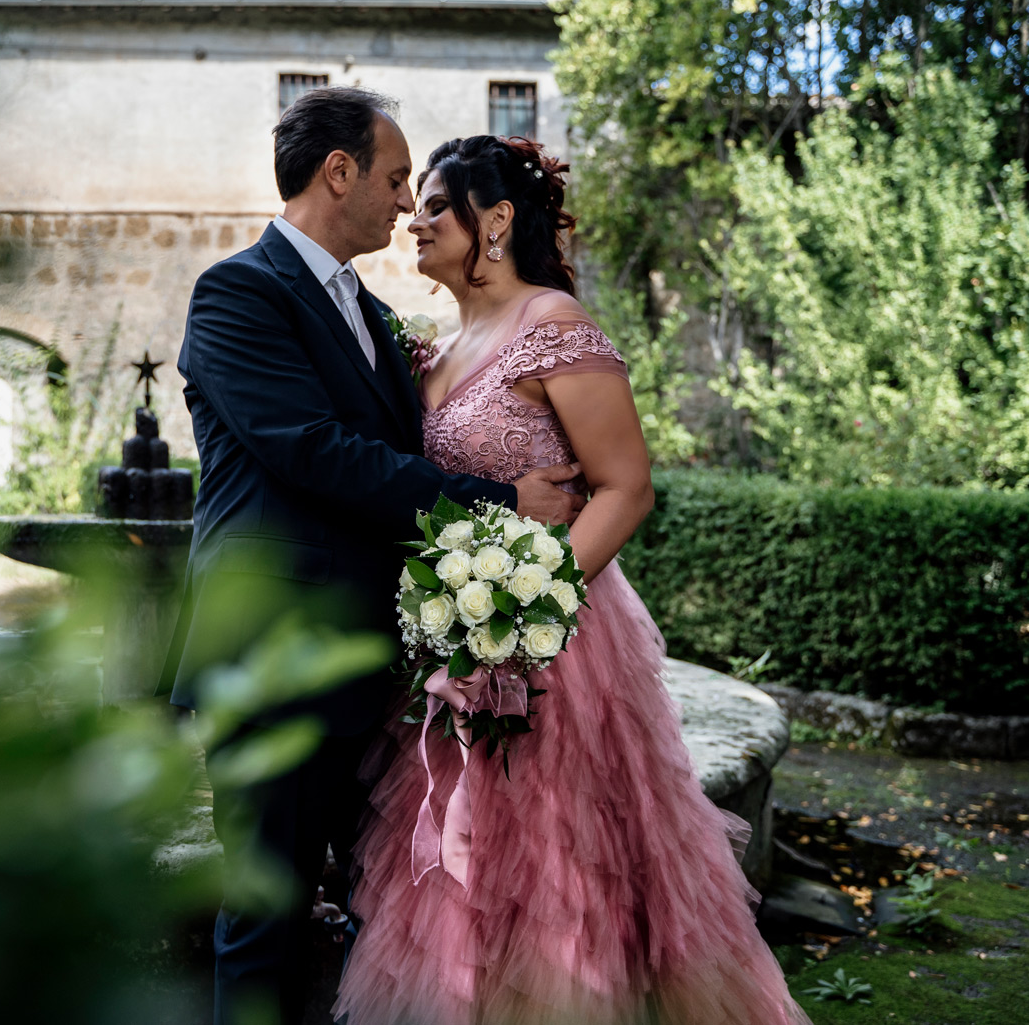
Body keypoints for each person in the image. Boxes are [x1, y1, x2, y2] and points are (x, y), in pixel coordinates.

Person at [331, 135, 814, 1025]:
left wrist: (527, 608)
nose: (416, 218)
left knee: (563, 872)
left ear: (498, 220)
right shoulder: (436, 347)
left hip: (556, 647)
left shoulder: (553, 324)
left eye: (438, 203)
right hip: (458, 644)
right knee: (464, 873)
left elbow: (626, 488)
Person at [159, 88, 586, 1025]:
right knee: (261, 913)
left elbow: (414, 448)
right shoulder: (237, 293)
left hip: (377, 673)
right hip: (271, 661)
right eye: (396, 180)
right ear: (338, 171)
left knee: (378, 911)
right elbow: (316, 452)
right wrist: (504, 500)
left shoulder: (374, 313)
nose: (405, 204)